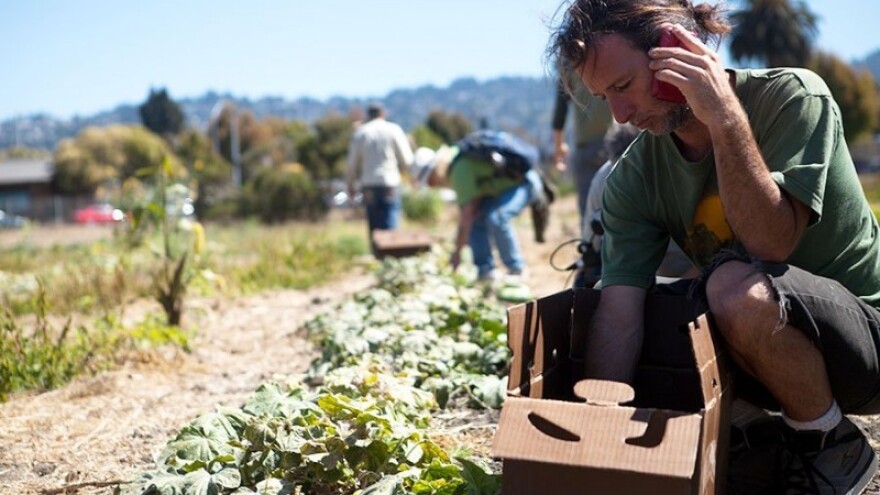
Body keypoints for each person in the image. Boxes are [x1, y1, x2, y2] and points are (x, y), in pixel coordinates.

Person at [549, 0, 880, 493]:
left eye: (622, 87)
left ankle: (829, 443)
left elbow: (771, 242)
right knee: (652, 314)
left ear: (677, 52)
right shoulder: (634, 176)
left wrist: (725, 121)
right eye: (604, 97)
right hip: (763, 345)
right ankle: (761, 440)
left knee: (729, 285)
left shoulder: (792, 97)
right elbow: (620, 310)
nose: (619, 114)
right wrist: (597, 429)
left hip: (864, 346)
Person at [411, 131, 545, 282]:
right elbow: (472, 212)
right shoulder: (458, 161)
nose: (433, 186)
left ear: (434, 171)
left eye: (430, 181)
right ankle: (485, 271)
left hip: (525, 184)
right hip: (507, 188)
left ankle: (517, 269)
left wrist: (457, 255)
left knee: (497, 217)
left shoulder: (459, 170)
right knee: (478, 218)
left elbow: (466, 216)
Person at [575, 122, 695, 287]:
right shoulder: (604, 179)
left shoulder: (682, 176)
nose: (627, 177)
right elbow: (590, 246)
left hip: (693, 277)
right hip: (642, 279)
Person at [551, 63, 614, 224]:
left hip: (585, 147)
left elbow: (560, 111)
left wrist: (559, 147)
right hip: (615, 143)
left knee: (589, 212)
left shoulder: (569, 65)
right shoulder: (608, 51)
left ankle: (591, 247)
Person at [346, 102, 414, 242]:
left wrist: (350, 185)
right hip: (389, 183)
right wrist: (414, 177)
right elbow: (407, 160)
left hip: (369, 183)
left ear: (368, 115)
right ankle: (390, 257)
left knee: (374, 228)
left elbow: (352, 164)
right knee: (390, 223)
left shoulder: (361, 133)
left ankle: (377, 256)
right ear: (383, 113)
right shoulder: (393, 129)